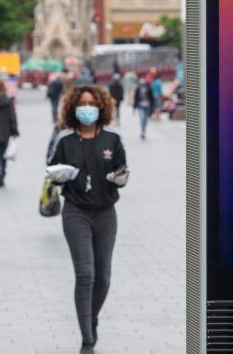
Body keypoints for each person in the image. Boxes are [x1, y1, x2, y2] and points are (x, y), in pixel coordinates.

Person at [49, 85, 128, 353]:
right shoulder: (65, 141)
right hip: (76, 212)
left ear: (101, 107)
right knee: (86, 274)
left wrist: (120, 178)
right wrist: (58, 175)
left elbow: (123, 172)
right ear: (73, 108)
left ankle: (91, 317)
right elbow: (51, 170)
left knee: (103, 278)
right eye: (81, 103)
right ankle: (87, 339)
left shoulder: (112, 141)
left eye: (91, 103)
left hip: (106, 213)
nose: (87, 108)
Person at [133, 76, 154, 140]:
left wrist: (152, 106)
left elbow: (151, 97)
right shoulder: (138, 89)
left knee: (145, 119)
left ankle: (144, 130)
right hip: (140, 106)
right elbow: (136, 98)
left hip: (147, 106)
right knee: (142, 118)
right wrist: (134, 107)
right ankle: (142, 131)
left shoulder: (149, 88)